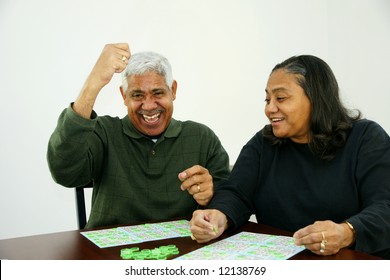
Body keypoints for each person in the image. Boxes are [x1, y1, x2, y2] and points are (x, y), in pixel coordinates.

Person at [189, 55, 390, 259]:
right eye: (267, 99)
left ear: (316, 98)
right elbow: (236, 192)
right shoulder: (263, 142)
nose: (269, 109)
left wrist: (347, 232)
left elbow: (385, 206)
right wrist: (219, 215)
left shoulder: (366, 138)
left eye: (281, 98)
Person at [47, 43, 230, 229]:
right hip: (110, 252)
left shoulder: (201, 138)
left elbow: (230, 200)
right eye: (137, 95)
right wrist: (93, 84)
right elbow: (64, 172)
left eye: (158, 93)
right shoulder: (104, 132)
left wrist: (213, 194)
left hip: (182, 250)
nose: (149, 106)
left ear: (173, 90)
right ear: (123, 95)